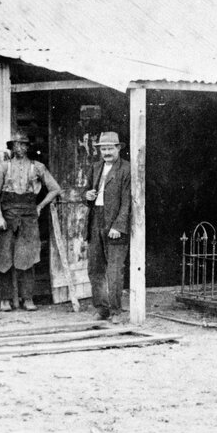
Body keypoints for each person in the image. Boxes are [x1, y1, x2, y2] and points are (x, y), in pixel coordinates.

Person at [0, 130, 62, 311]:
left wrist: (40, 206)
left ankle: (27, 298)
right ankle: (5, 299)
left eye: (23, 144)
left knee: (28, 257)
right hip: (7, 215)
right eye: (16, 144)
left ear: (28, 147)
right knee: (4, 258)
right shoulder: (3, 167)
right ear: (11, 147)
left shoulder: (38, 167)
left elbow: (55, 189)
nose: (20, 147)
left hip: (29, 216)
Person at [84, 131, 132, 323]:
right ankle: (101, 309)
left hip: (115, 223)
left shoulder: (126, 169)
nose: (106, 152)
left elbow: (127, 201)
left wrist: (118, 226)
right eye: (103, 149)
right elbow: (87, 192)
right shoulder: (95, 167)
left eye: (110, 148)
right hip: (96, 219)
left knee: (114, 270)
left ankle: (115, 311)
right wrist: (87, 196)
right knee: (95, 268)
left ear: (118, 148)